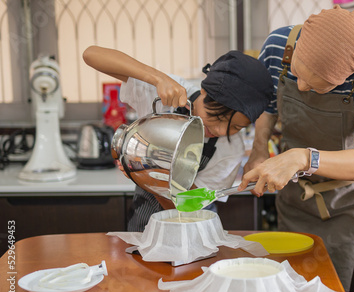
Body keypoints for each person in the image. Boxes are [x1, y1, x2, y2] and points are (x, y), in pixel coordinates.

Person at [238, 5, 354, 289]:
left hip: (347, 209)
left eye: (318, 86)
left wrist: (304, 157)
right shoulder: (279, 45)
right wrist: (258, 151)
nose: (301, 87)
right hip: (293, 204)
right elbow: (268, 107)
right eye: (297, 74)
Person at [83, 46, 273, 232]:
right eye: (218, 117)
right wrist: (158, 79)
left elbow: (188, 207)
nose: (220, 130)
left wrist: (154, 175)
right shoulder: (166, 96)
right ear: (205, 91)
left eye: (236, 127)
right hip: (143, 227)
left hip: (193, 230)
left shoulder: (231, 149)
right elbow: (91, 54)